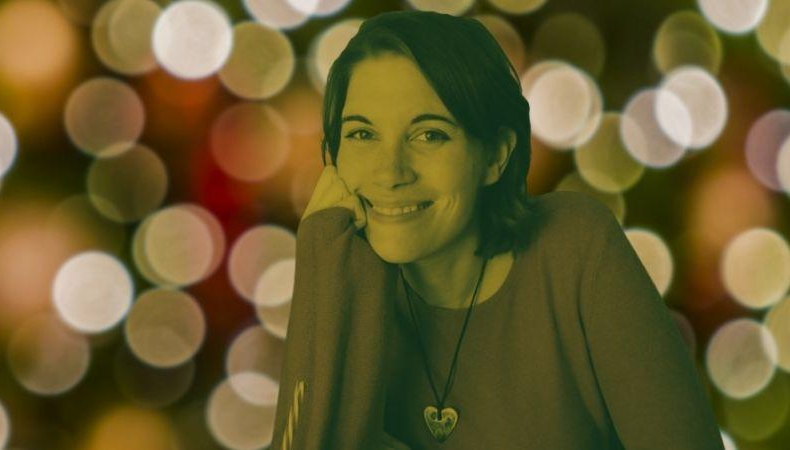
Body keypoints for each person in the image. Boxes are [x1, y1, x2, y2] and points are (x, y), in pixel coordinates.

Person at [269, 10, 722, 449]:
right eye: (363, 135)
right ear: (332, 156)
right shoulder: (342, 273)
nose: (390, 173)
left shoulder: (576, 250)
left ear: (495, 157)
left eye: (429, 135)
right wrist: (320, 264)